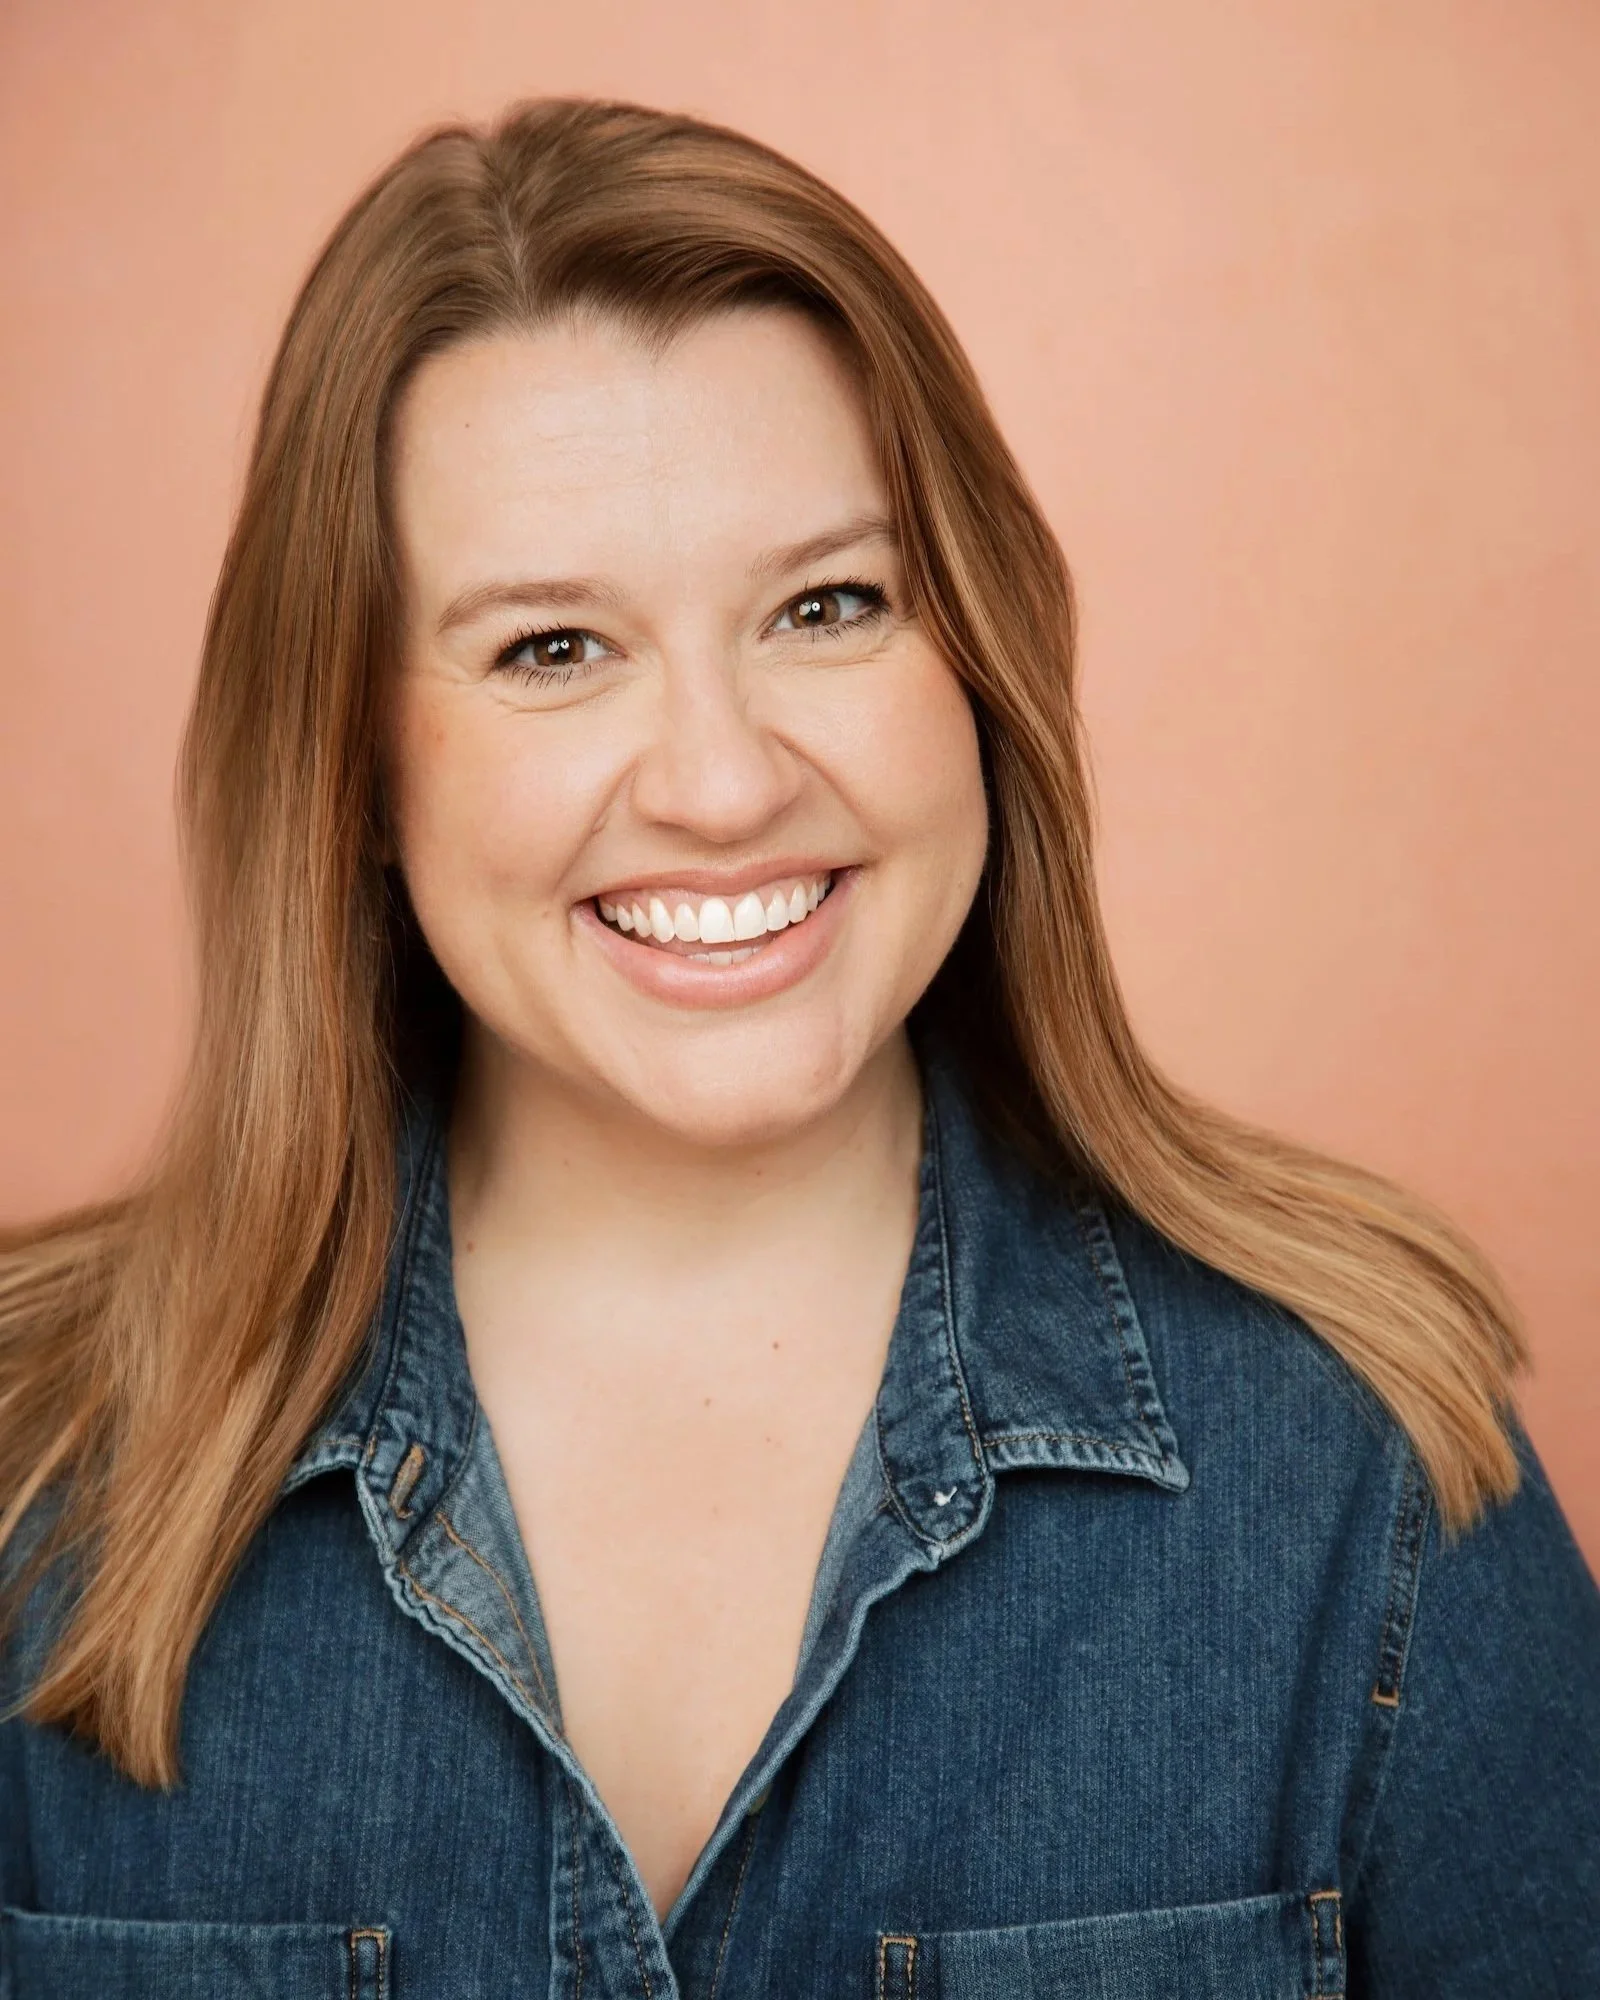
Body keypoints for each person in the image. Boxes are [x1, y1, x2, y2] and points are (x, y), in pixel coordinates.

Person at [1, 96, 1596, 2000]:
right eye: (550, 649)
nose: (725, 779)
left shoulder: (1361, 1462)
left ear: (976, 663)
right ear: (352, 759)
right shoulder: (33, 1473)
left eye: (827, 607)